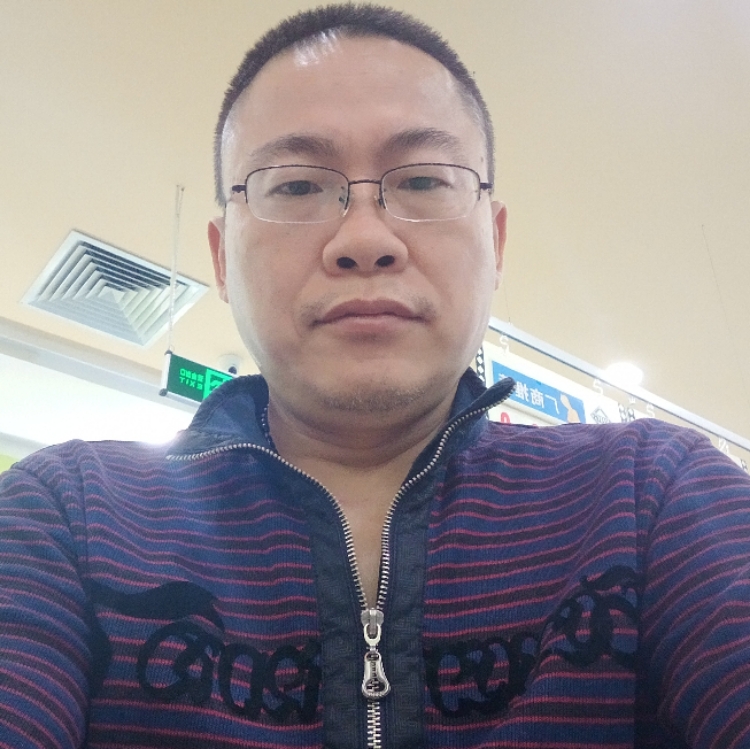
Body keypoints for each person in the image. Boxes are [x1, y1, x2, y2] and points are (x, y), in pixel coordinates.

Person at [1, 4, 749, 748]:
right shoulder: (68, 516)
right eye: (296, 186)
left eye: (422, 179)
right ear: (223, 257)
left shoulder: (653, 496)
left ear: (495, 242)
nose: (364, 238)